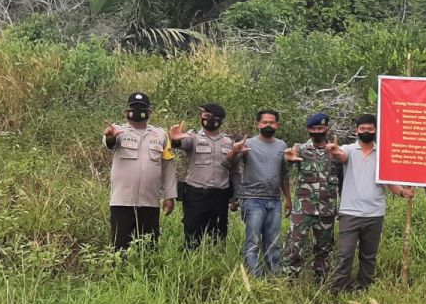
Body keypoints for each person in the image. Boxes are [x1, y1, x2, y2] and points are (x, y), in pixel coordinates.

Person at [329, 113, 414, 292]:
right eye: (362, 129)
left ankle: (364, 287)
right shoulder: (349, 149)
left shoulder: (383, 153)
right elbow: (340, 156)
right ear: (356, 131)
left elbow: (388, 181)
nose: (366, 131)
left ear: (375, 130)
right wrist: (334, 151)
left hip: (374, 213)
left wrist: (402, 192)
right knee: (345, 254)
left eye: (370, 129)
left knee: (368, 255)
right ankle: (339, 289)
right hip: (350, 212)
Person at [102, 92, 177, 249]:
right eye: (133, 108)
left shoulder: (160, 135)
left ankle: (146, 274)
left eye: (141, 108)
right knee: (120, 247)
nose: (137, 112)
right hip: (122, 202)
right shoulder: (117, 131)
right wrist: (110, 137)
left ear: (149, 112)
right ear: (126, 112)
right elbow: (109, 142)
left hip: (150, 203)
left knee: (148, 247)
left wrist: (170, 196)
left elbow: (167, 166)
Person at [227, 109, 289, 276]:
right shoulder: (248, 144)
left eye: (271, 122)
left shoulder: (282, 146)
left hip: (275, 200)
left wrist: (288, 199)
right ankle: (254, 275)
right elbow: (229, 163)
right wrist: (235, 151)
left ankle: (274, 273)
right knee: (253, 240)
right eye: (264, 122)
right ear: (258, 124)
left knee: (273, 241)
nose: (268, 125)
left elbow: (284, 174)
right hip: (252, 199)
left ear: (277, 125)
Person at [283, 112, 343, 283]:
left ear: (327, 129)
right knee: (294, 246)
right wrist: (287, 159)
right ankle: (289, 280)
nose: (317, 131)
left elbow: (342, 180)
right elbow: (287, 165)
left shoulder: (335, 151)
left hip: (327, 209)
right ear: (309, 130)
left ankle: (321, 281)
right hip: (303, 208)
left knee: (324, 249)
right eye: (314, 128)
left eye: (321, 128)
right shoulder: (300, 149)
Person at [169, 103, 236, 248]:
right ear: (201, 117)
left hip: (220, 196)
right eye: (206, 116)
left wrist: (235, 196)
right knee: (193, 238)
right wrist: (175, 139)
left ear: (221, 120)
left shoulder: (228, 142)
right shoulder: (192, 137)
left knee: (218, 238)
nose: (210, 120)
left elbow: (234, 170)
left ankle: (215, 265)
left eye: (214, 117)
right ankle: (191, 265)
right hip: (196, 195)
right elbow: (180, 143)